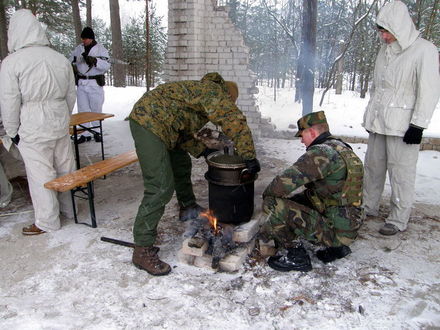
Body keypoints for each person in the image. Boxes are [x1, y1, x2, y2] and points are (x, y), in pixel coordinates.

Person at [128, 72, 261, 276]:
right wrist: (249, 157)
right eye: (229, 103)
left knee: (181, 164)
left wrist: (203, 150)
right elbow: (235, 122)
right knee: (160, 186)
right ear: (227, 97)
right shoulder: (213, 92)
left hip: (166, 126)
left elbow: (183, 130)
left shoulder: (200, 95)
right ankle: (142, 248)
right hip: (148, 123)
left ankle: (187, 206)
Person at [362, 1, 440, 236]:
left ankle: (398, 218)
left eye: (386, 31)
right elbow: (378, 89)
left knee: (401, 173)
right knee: (373, 168)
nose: (383, 37)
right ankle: (368, 207)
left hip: (404, 126)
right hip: (379, 123)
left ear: (400, 26)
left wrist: (418, 125)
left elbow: (429, 91)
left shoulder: (424, 50)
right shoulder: (384, 50)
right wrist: (371, 117)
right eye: (381, 31)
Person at [0, 9, 76, 234]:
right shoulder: (58, 58)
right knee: (65, 167)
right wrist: (63, 116)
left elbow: (9, 100)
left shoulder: (12, 62)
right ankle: (70, 210)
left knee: (40, 174)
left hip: (32, 124)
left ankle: (47, 221)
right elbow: (71, 94)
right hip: (59, 119)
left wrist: (12, 130)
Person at [260, 111, 363, 272]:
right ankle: (337, 247)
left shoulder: (321, 153)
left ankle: (296, 256)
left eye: (302, 135)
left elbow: (282, 183)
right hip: (348, 225)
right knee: (299, 199)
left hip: (336, 230)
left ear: (312, 132)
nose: (301, 141)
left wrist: (268, 203)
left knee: (272, 204)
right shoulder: (341, 147)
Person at [70, 27, 110, 143]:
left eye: (86, 38)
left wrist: (95, 61)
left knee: (96, 109)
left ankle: (97, 132)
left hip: (94, 83)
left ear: (91, 38)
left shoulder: (101, 49)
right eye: (83, 38)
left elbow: (106, 65)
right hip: (82, 83)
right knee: (83, 109)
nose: (84, 41)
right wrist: (75, 61)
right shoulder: (79, 48)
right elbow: (71, 59)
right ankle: (85, 133)